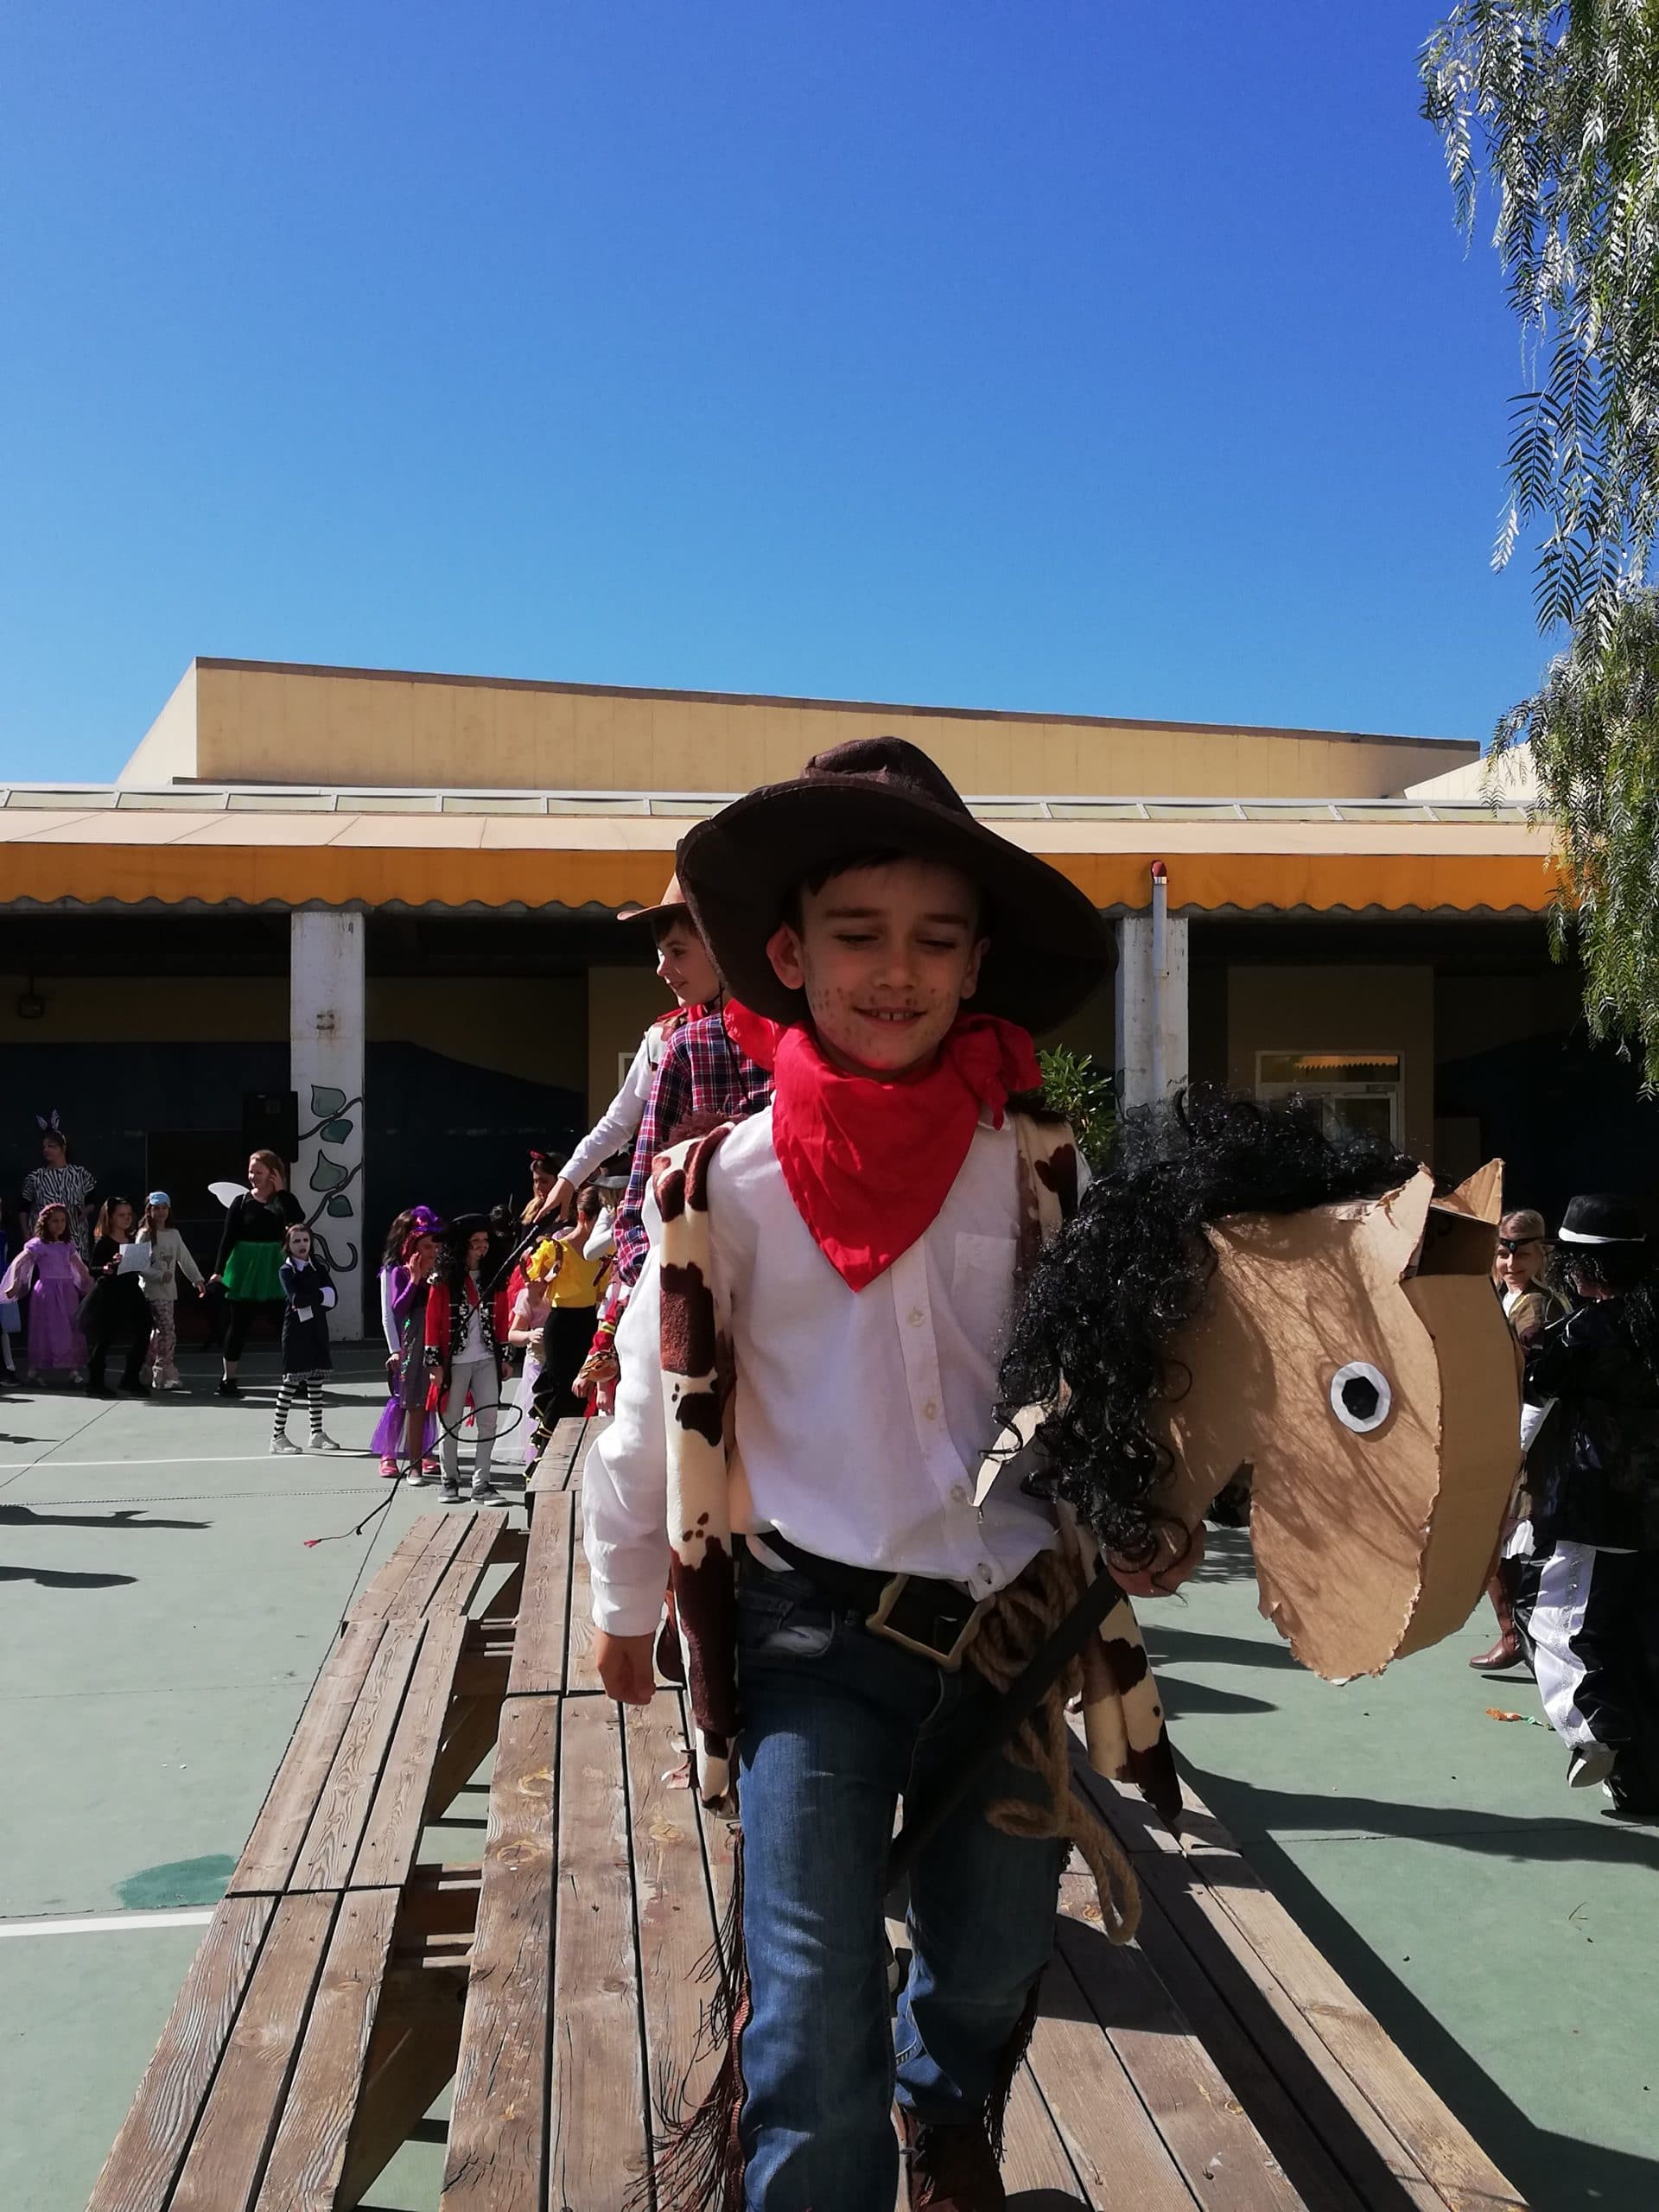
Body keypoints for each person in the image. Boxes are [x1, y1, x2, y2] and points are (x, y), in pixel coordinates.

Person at [585, 735, 1177, 2211]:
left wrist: (1145, 1509)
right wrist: (621, 1598)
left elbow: (1112, 1384)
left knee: (991, 1954)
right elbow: (654, 1404)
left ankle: (948, 2106)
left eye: (935, 939)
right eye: (858, 935)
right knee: (805, 1998)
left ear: (977, 964)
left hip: (1008, 1630)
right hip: (813, 1641)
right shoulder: (721, 1184)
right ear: (788, 956)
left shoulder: (1040, 1168)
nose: (897, 971)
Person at [1522, 1192, 1659, 1819]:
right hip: (1649, 1514)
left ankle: (1595, 1729)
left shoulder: (1577, 1334)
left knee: (1560, 1623)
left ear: (1581, 1265)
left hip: (1596, 1505)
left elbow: (1527, 1413)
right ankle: (1640, 1782)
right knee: (1640, 1640)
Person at [539, 876, 724, 1224]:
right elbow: (619, 1122)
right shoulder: (662, 1038)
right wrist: (568, 1179)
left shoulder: (777, 1032)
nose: (661, 969)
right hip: (678, 1218)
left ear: (720, 948)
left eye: (677, 952)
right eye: (660, 953)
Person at [1470, 1207, 1571, 1674]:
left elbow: (1538, 1388)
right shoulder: (1500, 1297)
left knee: (1511, 1540)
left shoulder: (1539, 1306)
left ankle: (1520, 1638)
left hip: (1532, 1441)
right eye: (1503, 1253)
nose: (1511, 1263)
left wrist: (1518, 1444)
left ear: (1540, 1255)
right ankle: (1516, 1635)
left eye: (1522, 1254)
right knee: (1497, 1539)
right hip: (1500, 1430)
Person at [423, 1213, 512, 1507]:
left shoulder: (494, 1278)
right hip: (455, 1362)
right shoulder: (443, 1280)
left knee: (489, 1420)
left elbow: (502, 1319)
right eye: (475, 1241)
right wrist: (435, 1365)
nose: (482, 1246)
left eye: (485, 1241)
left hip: (486, 1359)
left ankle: (481, 1483)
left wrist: (504, 1357)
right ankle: (449, 1479)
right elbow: (432, 1323)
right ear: (463, 1245)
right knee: (451, 1422)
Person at [211, 1151, 305, 1394]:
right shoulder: (241, 1202)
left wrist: (281, 1192)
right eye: (251, 1171)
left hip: (275, 1270)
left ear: (273, 1174)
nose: (253, 1176)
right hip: (245, 1271)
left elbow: (297, 1223)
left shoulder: (284, 1201)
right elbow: (227, 1239)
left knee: (286, 1327)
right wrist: (218, 1271)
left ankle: (297, 1378)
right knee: (238, 1325)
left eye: (259, 1172)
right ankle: (228, 1380)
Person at [529, 1185, 613, 1430]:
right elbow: (534, 1300)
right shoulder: (555, 1249)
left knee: (582, 1391)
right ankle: (545, 1445)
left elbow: (602, 1296)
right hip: (561, 1325)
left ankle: (572, 1442)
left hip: (588, 1323)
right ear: (584, 1216)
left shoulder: (603, 1253)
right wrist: (543, 1280)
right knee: (562, 1389)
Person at [372, 1208, 440, 1479]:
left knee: (426, 1397)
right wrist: (394, 1349)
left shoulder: (435, 1268)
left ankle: (424, 1451)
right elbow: (389, 1313)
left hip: (427, 1339)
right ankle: (389, 1453)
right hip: (405, 1340)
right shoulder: (394, 1269)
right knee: (402, 1398)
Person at [0, 1201, 90, 1384]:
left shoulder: (67, 1245)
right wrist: (15, 1282)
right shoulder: (38, 1245)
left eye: (62, 1221)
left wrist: (87, 1280)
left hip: (67, 1292)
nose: (59, 1225)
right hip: (47, 1293)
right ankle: (35, 1368)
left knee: (69, 1327)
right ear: (45, 1223)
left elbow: (79, 1266)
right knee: (45, 1329)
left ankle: (71, 1367)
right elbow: (19, 1262)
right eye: (55, 1221)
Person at [271, 1224, 340, 1453]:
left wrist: (315, 1298)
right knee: (291, 1382)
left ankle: (316, 1433)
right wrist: (320, 1296)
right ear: (288, 1245)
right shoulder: (286, 1271)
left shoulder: (317, 1267)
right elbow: (297, 1299)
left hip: (317, 1328)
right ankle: (277, 1436)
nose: (302, 1245)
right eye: (296, 1241)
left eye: (305, 1240)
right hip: (296, 1332)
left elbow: (333, 1298)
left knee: (316, 1381)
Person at [84, 1196, 155, 1395]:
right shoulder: (104, 1242)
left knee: (144, 1328)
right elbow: (93, 1269)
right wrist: (107, 1267)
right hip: (110, 1292)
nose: (126, 1218)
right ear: (111, 1217)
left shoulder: (133, 1240)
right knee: (105, 1336)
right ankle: (95, 1382)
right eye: (121, 1215)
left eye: (129, 1215)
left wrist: (145, 1259)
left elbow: (140, 1266)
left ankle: (131, 1377)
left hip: (131, 1289)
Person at [137, 1192, 204, 1392]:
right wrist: (158, 1276)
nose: (160, 1212)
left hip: (168, 1293)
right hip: (151, 1291)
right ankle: (163, 1373)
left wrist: (197, 1279)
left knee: (159, 1332)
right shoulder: (144, 1234)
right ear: (149, 1210)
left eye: (164, 1208)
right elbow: (138, 1266)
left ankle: (145, 1368)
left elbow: (185, 1258)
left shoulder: (173, 1234)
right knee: (167, 1331)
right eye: (156, 1208)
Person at [391, 1227, 441, 1484]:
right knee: (416, 1403)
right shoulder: (401, 1273)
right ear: (414, 1250)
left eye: (436, 1246)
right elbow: (398, 1309)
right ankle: (414, 1466)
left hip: (443, 1338)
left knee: (448, 1402)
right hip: (416, 1342)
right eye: (427, 1246)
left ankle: (447, 1464)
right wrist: (414, 1279)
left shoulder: (444, 1273)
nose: (433, 1251)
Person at [20, 1117, 97, 1262]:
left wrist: (84, 1212)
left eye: (51, 1146)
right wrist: (26, 1235)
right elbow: (23, 1208)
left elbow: (92, 1201)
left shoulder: (80, 1174)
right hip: (44, 1241)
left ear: (63, 1148)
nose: (46, 1150)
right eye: (44, 1147)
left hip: (74, 1238)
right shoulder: (35, 1177)